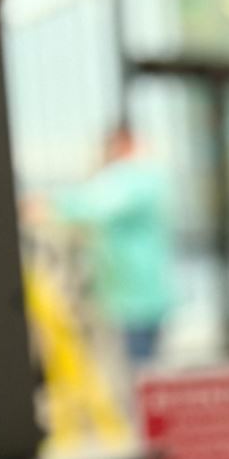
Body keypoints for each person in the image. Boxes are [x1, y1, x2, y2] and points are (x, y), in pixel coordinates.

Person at [60, 123, 175, 368]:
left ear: (122, 144)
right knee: (144, 361)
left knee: (138, 365)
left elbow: (94, 206)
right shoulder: (143, 176)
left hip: (133, 292)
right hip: (138, 290)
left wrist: (49, 206)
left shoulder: (133, 177)